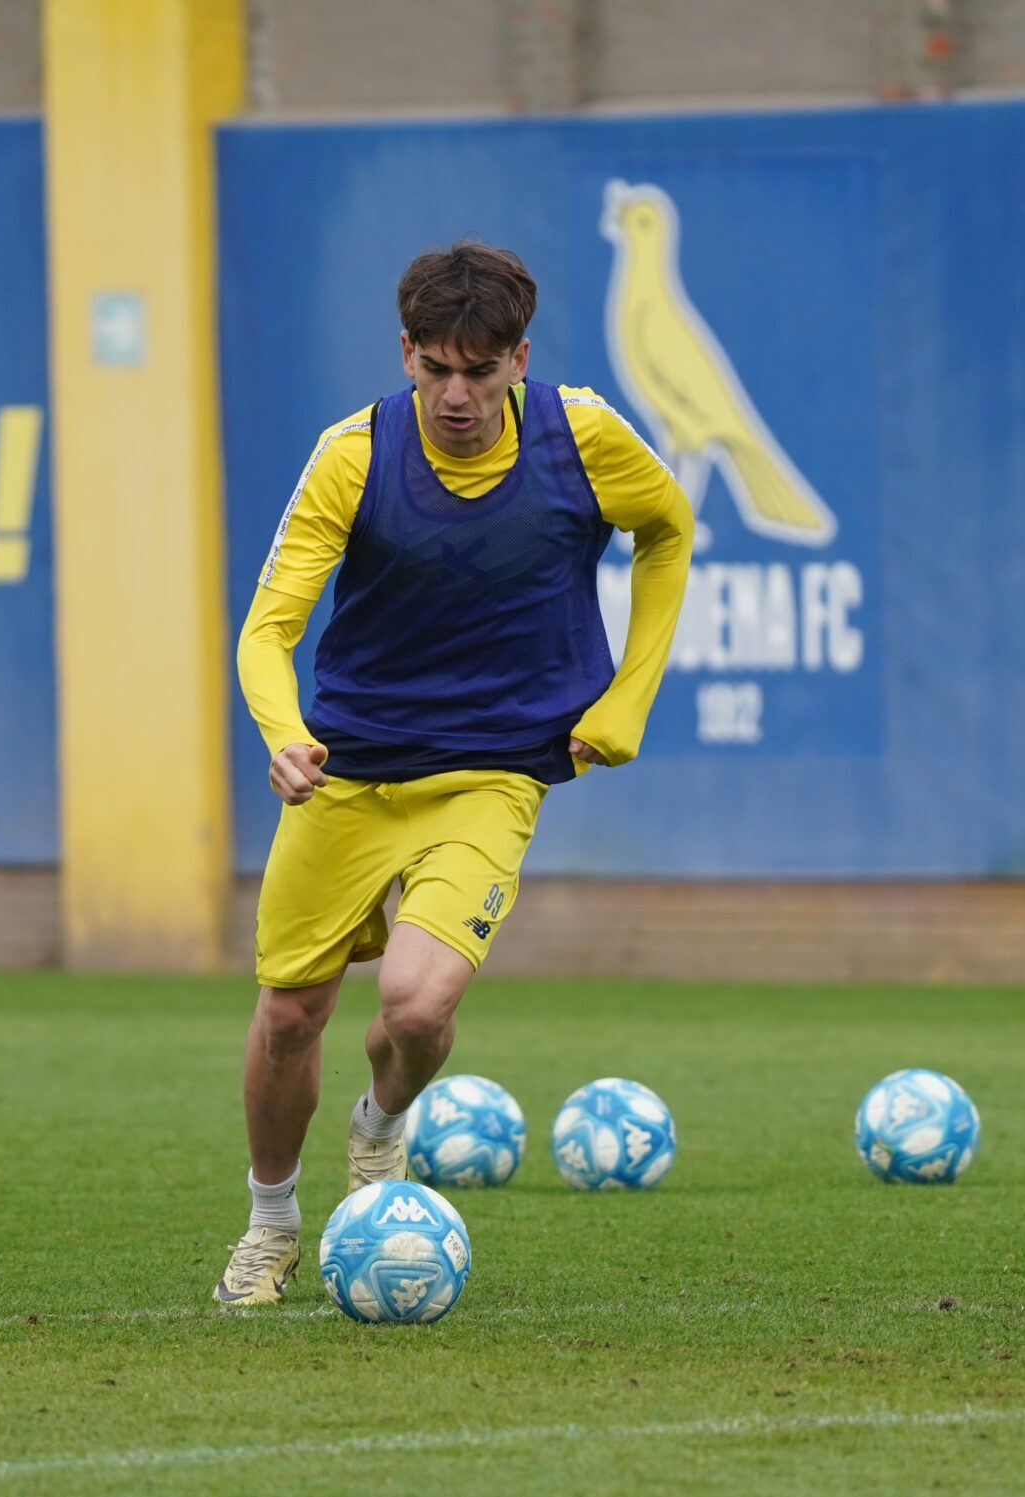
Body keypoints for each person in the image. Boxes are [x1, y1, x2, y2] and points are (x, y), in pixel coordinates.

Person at [215, 241, 693, 1306]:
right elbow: (266, 629)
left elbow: (669, 532)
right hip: (349, 773)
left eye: (480, 371)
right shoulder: (353, 453)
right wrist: (280, 729)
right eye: (435, 368)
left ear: (519, 359)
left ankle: (379, 1133)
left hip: (490, 772)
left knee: (418, 1010)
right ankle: (272, 1222)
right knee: (291, 1016)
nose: (457, 394)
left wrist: (627, 699)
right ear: (406, 355)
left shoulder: (585, 439)